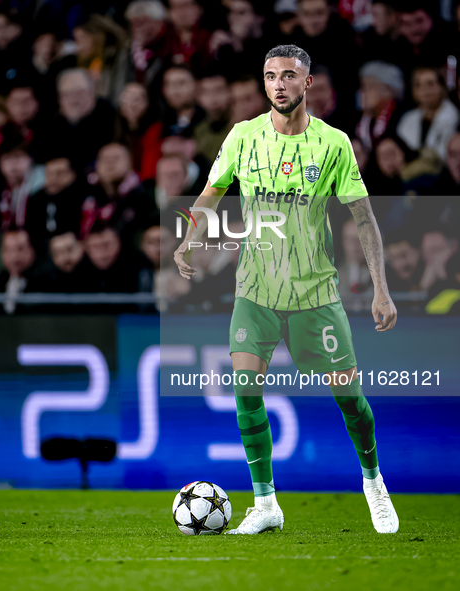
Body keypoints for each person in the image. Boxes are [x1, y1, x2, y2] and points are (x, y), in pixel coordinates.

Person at [173, 44, 399, 535]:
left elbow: (363, 217)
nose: (279, 84)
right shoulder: (242, 136)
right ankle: (266, 503)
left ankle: (374, 481)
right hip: (255, 292)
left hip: (315, 296)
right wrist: (188, 239)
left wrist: (381, 288)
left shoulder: (333, 144)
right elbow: (212, 191)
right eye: (271, 75)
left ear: (307, 83)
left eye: (289, 76)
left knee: (350, 400)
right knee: (245, 390)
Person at [396, 67, 459, 162]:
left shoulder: (454, 117)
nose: (424, 89)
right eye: (418, 85)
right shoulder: (407, 118)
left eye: (430, 83)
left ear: (442, 87)